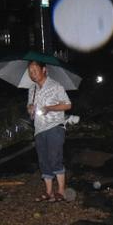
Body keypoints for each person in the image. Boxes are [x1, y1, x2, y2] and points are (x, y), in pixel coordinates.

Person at [26, 60, 72, 202]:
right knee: (43, 161)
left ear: (44, 70)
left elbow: (68, 105)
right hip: (39, 129)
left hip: (55, 126)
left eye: (35, 70)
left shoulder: (56, 86)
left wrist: (49, 108)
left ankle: (61, 191)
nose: (32, 74)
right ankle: (48, 192)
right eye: (30, 71)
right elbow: (30, 110)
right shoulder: (31, 90)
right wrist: (30, 109)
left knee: (54, 157)